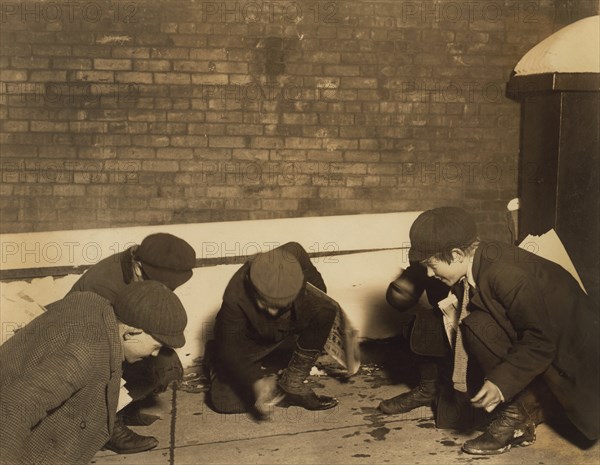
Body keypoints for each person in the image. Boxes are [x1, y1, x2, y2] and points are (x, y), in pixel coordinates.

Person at [406, 206, 599, 455]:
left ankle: (520, 414)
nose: (430, 273)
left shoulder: (504, 275)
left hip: (580, 363)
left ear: (456, 254)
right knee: (475, 323)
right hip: (555, 343)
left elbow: (540, 340)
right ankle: (528, 402)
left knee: (477, 327)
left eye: (431, 265)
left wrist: (500, 383)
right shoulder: (482, 258)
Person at [0, 281, 187, 465]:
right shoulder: (86, 354)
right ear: (130, 332)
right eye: (156, 346)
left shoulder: (92, 302)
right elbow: (13, 410)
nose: (154, 354)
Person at [69, 232, 196, 454]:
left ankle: (124, 407)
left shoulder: (144, 271)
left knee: (167, 365)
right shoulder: (103, 286)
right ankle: (106, 427)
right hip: (85, 349)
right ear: (138, 268)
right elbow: (102, 352)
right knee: (112, 361)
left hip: (117, 340)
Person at [209, 242, 339, 417]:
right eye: (266, 303)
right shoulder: (234, 297)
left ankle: (293, 383)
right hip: (250, 340)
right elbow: (231, 348)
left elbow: (320, 292)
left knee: (325, 309)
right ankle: (213, 357)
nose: (272, 312)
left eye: (279, 305)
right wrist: (256, 383)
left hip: (283, 326)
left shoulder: (294, 254)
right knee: (225, 403)